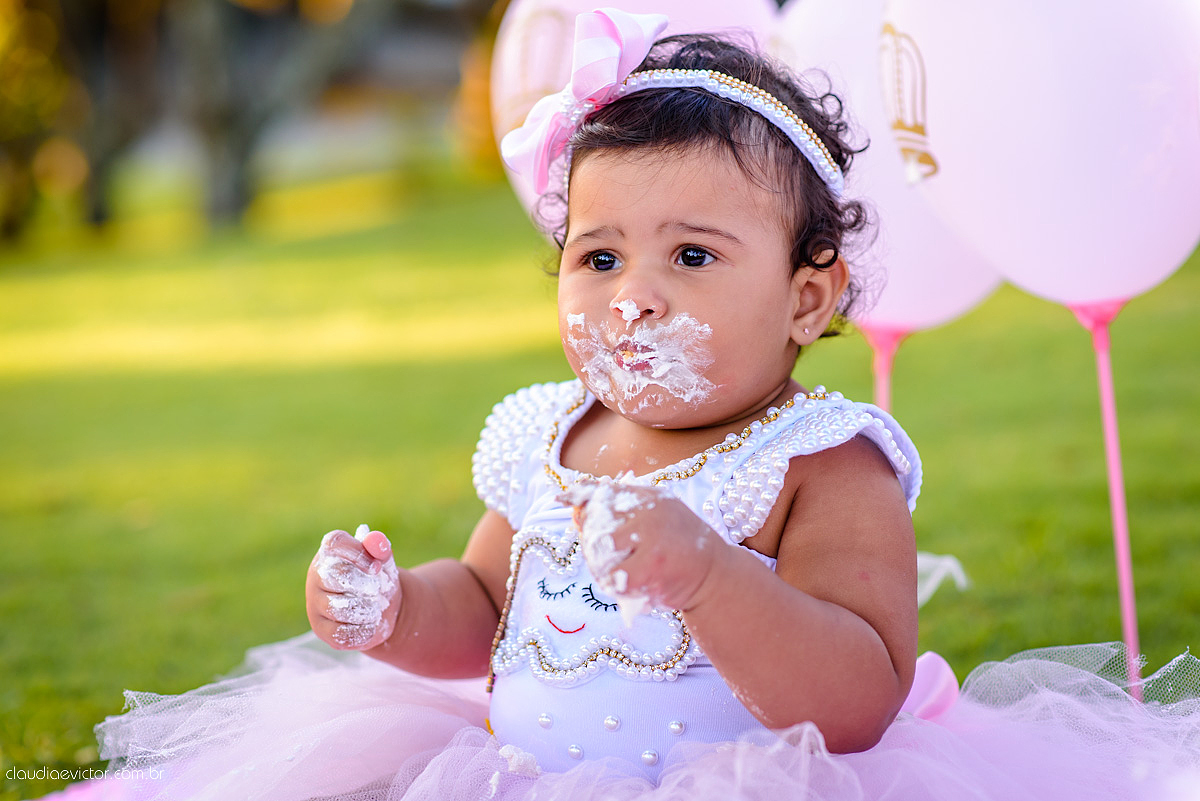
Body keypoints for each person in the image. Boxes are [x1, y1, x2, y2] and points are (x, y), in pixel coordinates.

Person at [79, 8, 1199, 801]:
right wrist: (394, 611)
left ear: (809, 296)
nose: (635, 297)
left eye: (695, 256)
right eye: (599, 256)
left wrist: (707, 576)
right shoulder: (553, 436)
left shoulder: (823, 465)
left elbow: (858, 697)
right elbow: (486, 602)